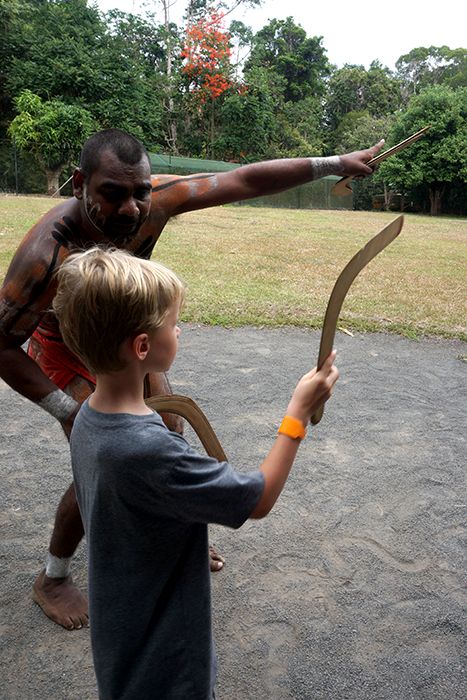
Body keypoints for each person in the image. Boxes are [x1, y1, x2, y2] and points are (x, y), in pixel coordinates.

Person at [0, 128, 382, 630]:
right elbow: (3, 343)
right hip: (68, 345)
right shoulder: (45, 254)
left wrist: (333, 162)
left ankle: (174, 529)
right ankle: (53, 577)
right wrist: (69, 411)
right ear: (79, 184)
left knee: (167, 433)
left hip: (134, 338)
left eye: (139, 192)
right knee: (100, 455)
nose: (130, 210)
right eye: (112, 193)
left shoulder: (153, 201)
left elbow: (242, 180)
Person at [53, 246, 339, 699]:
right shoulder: (148, 451)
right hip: (165, 662)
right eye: (172, 323)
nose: (179, 330)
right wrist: (297, 414)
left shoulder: (89, 418)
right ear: (143, 346)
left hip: (122, 642)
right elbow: (259, 497)